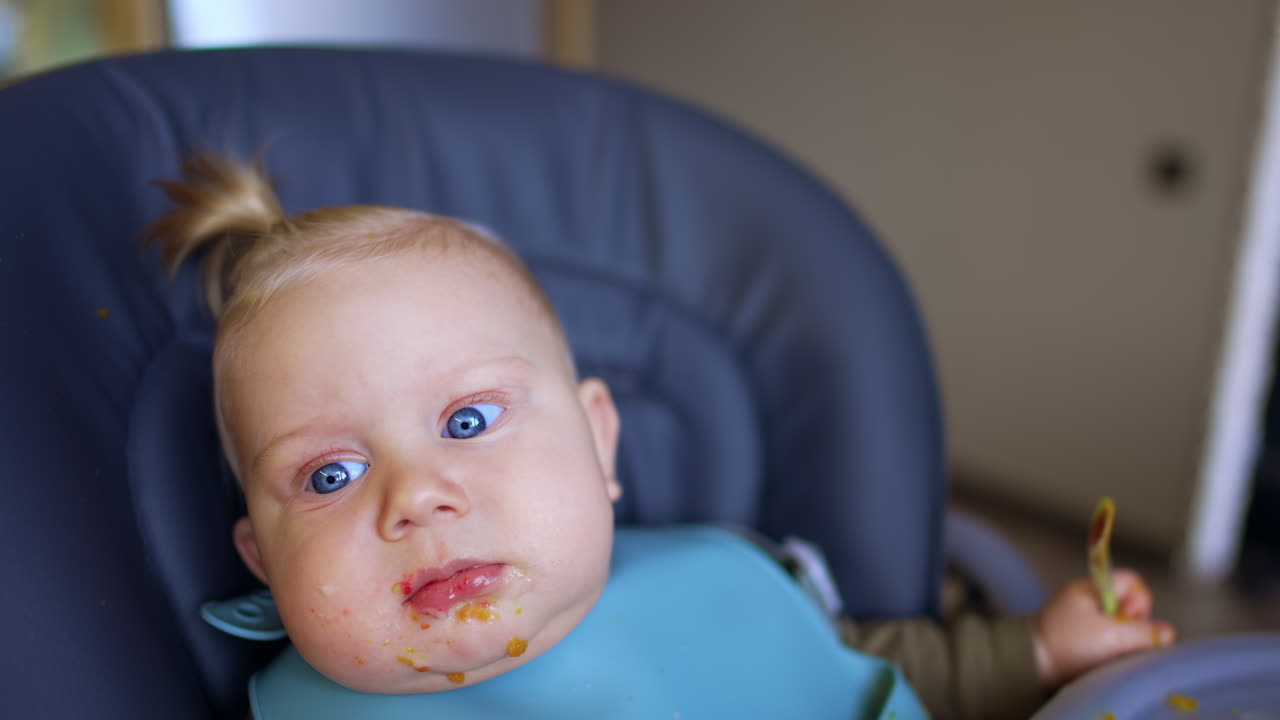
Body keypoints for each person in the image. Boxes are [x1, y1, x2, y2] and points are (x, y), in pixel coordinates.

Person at [147, 153, 1175, 720]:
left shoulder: (718, 580)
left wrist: (1034, 651)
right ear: (263, 561)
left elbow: (850, 669)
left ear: (601, 445)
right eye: (329, 472)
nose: (414, 496)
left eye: (466, 420)